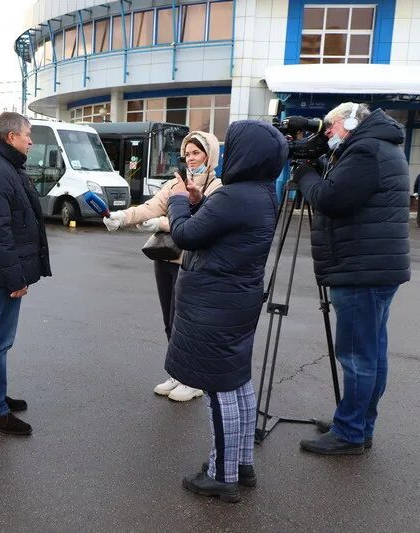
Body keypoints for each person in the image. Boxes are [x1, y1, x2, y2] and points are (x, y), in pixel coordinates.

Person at [166, 120, 286, 503]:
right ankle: (240, 463)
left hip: (215, 302)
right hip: (238, 298)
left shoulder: (234, 196)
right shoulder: (264, 192)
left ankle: (223, 475)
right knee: (237, 384)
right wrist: (201, 203)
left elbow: (185, 234)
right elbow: (219, 228)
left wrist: (178, 201)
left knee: (217, 388)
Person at [294, 103, 411, 455]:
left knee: (358, 356)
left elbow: (333, 199)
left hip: (361, 269)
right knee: (372, 353)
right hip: (373, 266)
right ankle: (358, 422)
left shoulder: (365, 149)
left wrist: (305, 176)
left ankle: (350, 432)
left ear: (348, 123)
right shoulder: (379, 145)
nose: (326, 134)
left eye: (329, 128)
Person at [104, 131, 222, 402]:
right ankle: (179, 373)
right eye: (188, 154)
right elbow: (150, 207)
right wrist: (121, 217)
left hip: (192, 263)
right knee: (170, 322)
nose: (190, 159)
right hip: (165, 256)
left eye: (197, 153)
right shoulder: (175, 184)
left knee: (187, 321)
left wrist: (162, 224)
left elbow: (202, 220)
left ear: (209, 155)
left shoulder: (217, 187)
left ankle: (194, 379)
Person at [0, 112, 51, 436]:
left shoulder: (3, 167)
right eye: (27, 134)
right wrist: (15, 277)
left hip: (4, 267)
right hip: (4, 270)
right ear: (9, 136)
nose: (30, 140)